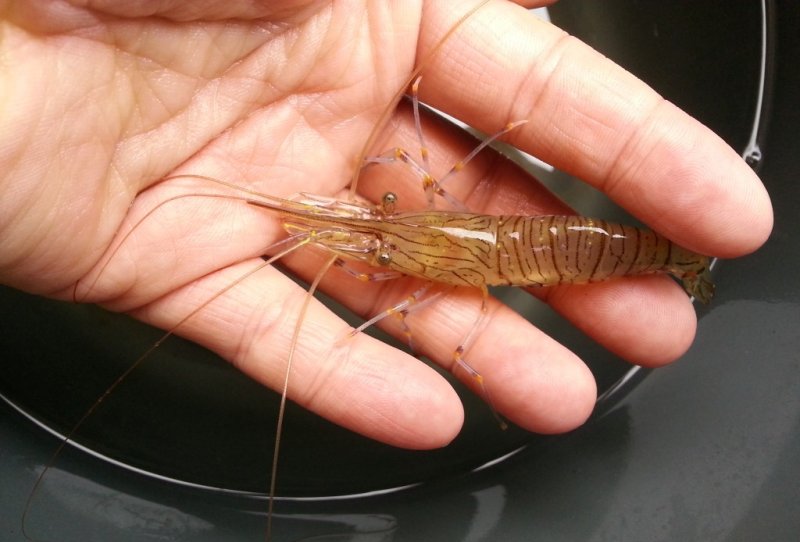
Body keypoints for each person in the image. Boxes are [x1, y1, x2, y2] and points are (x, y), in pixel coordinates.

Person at [0, 1, 772, 450]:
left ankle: (677, 257)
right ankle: (678, 258)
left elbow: (387, 242)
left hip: (559, 254)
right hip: (532, 251)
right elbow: (398, 216)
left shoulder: (398, 251)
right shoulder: (406, 223)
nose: (364, 242)